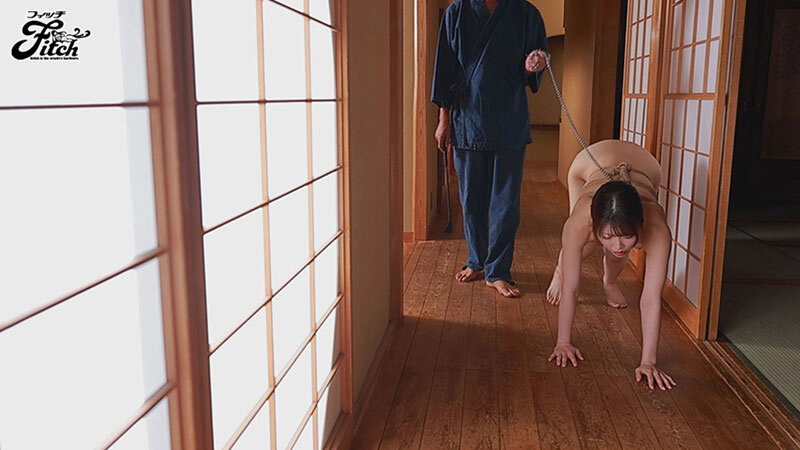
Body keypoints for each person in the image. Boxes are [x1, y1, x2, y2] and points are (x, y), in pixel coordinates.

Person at [431, 0, 548, 298]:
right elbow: (444, 68)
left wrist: (533, 65)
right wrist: (443, 120)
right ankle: (476, 260)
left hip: (509, 119)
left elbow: (535, 63)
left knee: (506, 202)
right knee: (471, 198)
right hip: (467, 119)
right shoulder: (456, 13)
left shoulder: (526, 14)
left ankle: (497, 270)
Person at [546, 139, 677, 391]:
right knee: (582, 248)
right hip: (589, 161)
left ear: (640, 223)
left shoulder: (656, 229)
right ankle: (560, 269)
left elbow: (650, 298)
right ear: (594, 223)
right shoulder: (580, 221)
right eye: (607, 236)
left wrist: (648, 362)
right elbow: (572, 289)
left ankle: (610, 282)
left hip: (647, 166)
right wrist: (563, 342)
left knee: (618, 251)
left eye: (627, 235)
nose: (617, 244)